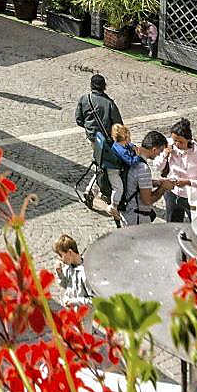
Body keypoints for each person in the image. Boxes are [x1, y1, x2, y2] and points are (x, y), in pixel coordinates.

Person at [74, 73, 124, 212]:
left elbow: (79, 120)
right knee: (106, 167)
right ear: (104, 86)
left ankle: (95, 191)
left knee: (100, 164)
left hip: (93, 139)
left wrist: (91, 130)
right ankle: (92, 191)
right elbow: (118, 125)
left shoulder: (84, 99)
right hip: (107, 141)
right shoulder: (109, 103)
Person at [53, 234, 90, 305]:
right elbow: (65, 285)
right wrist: (60, 273)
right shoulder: (67, 268)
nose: (60, 259)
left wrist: (73, 302)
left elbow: (94, 301)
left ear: (70, 252)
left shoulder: (86, 273)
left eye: (61, 255)